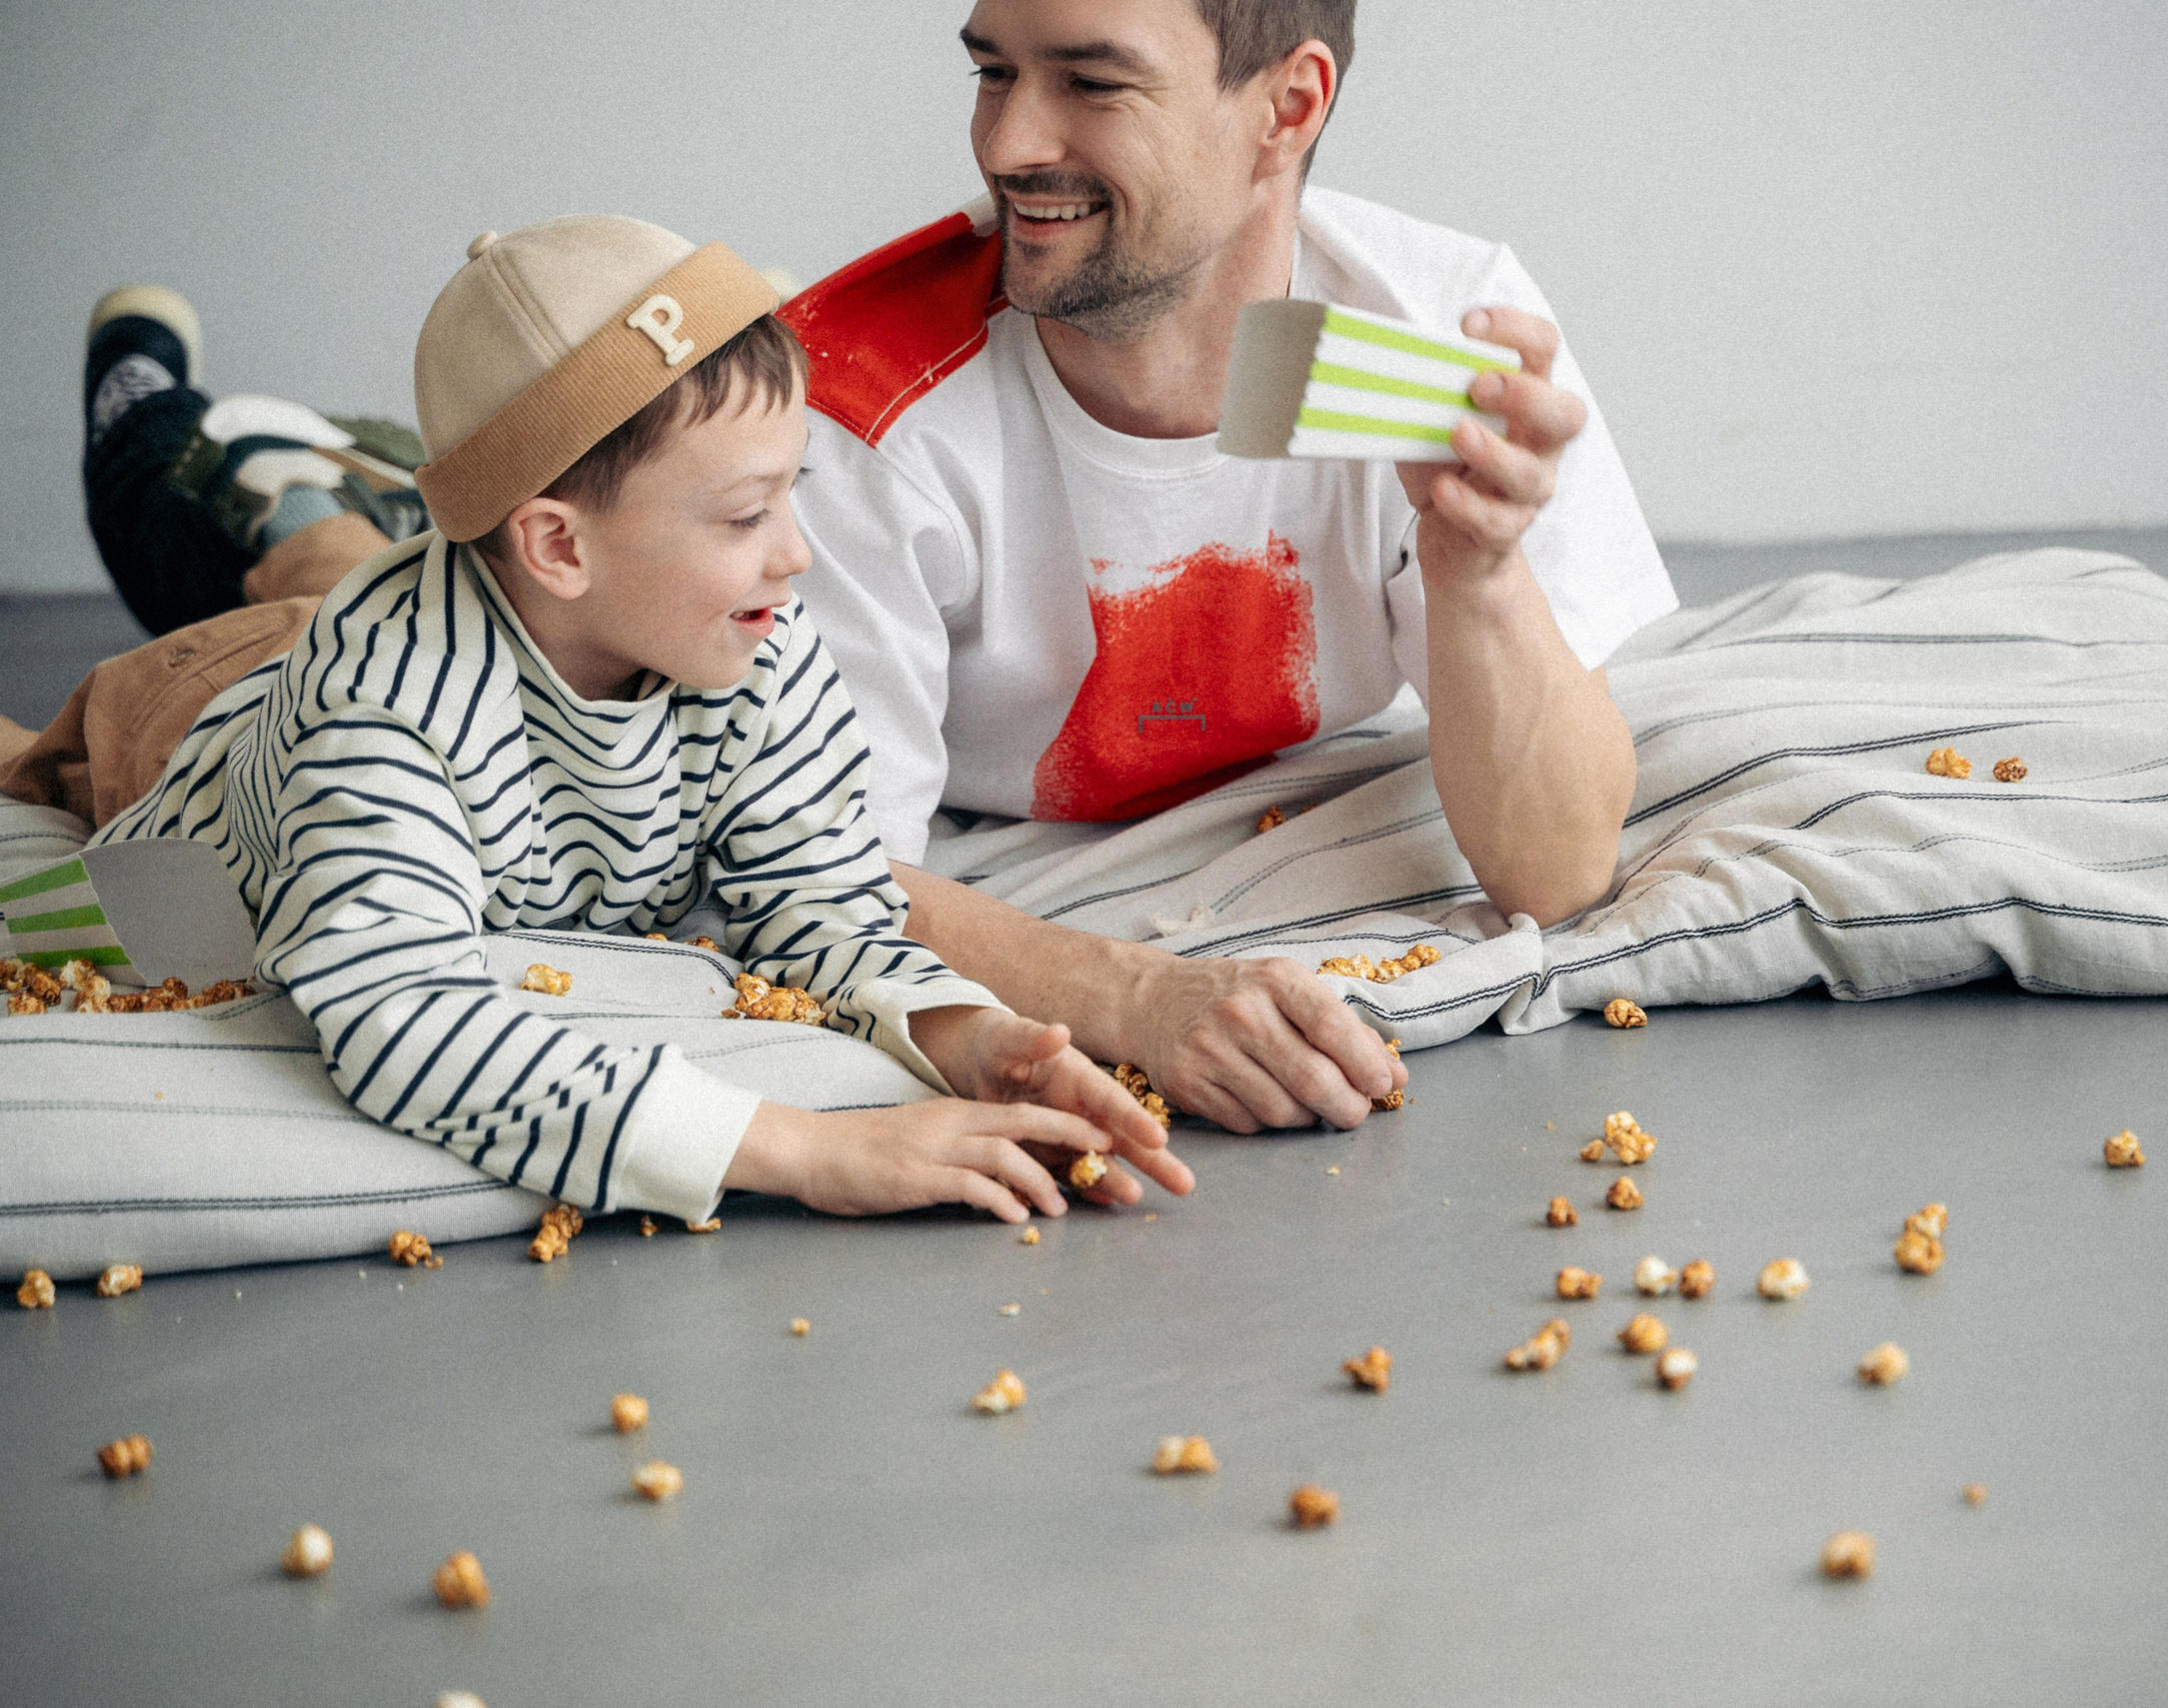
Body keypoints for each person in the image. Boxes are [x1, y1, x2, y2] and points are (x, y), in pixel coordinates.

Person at [90, 215, 1190, 1230]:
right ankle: (167, 413)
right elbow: (401, 1021)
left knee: (340, 563)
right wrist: (808, 1149)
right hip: (200, 732)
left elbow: (821, 901)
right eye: (746, 513)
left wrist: (970, 1035)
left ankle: (320, 495)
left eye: (792, 489)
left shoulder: (750, 639)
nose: (796, 551)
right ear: (560, 545)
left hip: (471, 608)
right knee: (162, 618)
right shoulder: (379, 708)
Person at [782, 0, 1676, 1133]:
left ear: (1285, 107)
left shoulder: (1439, 330)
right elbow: (807, 880)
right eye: (993, 72)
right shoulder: (847, 407)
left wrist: (1480, 573)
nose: (1007, 144)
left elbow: (1553, 876)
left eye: (1091, 84)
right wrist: (1138, 995)